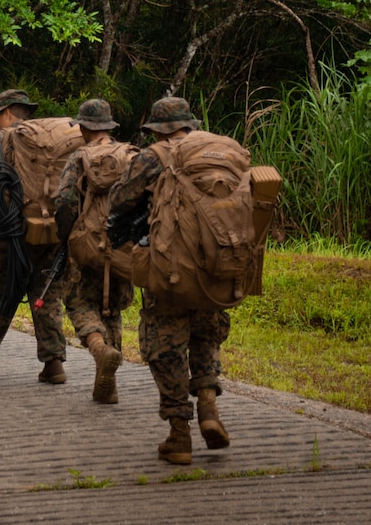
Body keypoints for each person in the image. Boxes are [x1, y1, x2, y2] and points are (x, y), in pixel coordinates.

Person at [107, 95, 232, 465]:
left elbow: (119, 199)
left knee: (165, 346)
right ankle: (209, 405)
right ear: (189, 125)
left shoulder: (154, 156)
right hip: (215, 268)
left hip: (171, 268)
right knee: (205, 335)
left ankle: (179, 434)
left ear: (159, 130)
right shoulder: (219, 151)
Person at [0, 88, 69, 383]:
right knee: (46, 294)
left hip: (10, 231)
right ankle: (54, 363)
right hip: (51, 229)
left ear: (6, 112)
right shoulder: (51, 142)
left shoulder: (1, 138)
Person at [55, 98, 135, 404]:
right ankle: (109, 384)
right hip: (123, 245)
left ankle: (100, 348)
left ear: (85, 127)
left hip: (87, 245)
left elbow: (64, 202)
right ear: (109, 126)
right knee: (112, 307)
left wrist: (67, 236)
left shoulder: (79, 157)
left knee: (78, 301)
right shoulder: (131, 155)